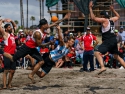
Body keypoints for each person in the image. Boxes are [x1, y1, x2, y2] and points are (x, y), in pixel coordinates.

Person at [89, 1, 125, 74]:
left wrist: (90, 8)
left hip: (108, 40)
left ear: (103, 16)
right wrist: (113, 10)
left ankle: (102, 67)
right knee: (116, 56)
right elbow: (118, 16)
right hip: (114, 40)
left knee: (96, 53)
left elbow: (93, 18)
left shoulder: (104, 20)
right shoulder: (112, 20)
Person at [0, 19, 17, 89]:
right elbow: (0, 28)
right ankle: (4, 85)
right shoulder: (5, 34)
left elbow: (15, 27)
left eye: (10, 27)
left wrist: (11, 21)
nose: (11, 28)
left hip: (13, 54)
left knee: (12, 71)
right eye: (9, 27)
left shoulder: (12, 34)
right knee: (6, 70)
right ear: (6, 29)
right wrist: (2, 21)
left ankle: (9, 84)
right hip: (7, 54)